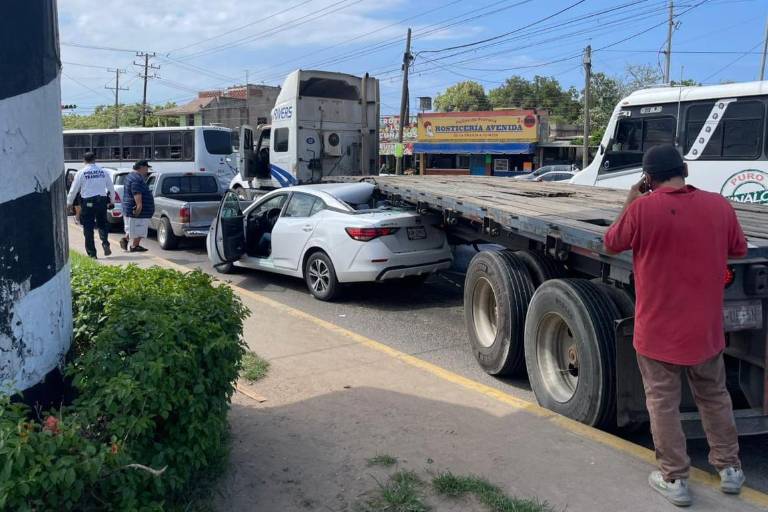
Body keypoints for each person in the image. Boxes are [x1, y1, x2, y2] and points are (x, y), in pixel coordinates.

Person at [604, 144, 747, 507]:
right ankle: (730, 470)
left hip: (657, 333)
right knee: (714, 397)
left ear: (647, 178)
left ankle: (675, 479)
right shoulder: (719, 206)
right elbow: (739, 249)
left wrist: (631, 201)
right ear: (684, 170)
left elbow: (611, 243)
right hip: (705, 331)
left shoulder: (642, 209)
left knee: (663, 404)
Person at [66, 152, 115, 258]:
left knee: (88, 227)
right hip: (102, 200)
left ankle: (92, 254)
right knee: (102, 224)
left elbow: (73, 189)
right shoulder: (103, 171)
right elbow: (111, 187)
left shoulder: (81, 172)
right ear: (95, 159)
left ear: (84, 160)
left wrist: (69, 203)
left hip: (88, 202)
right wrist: (112, 201)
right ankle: (105, 243)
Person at [119, 160, 155, 253]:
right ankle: (134, 246)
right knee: (139, 228)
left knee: (133, 228)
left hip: (129, 207)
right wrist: (139, 207)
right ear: (142, 167)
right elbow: (136, 193)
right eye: (146, 168)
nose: (147, 170)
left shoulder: (130, 176)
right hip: (138, 210)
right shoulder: (137, 179)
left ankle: (127, 241)